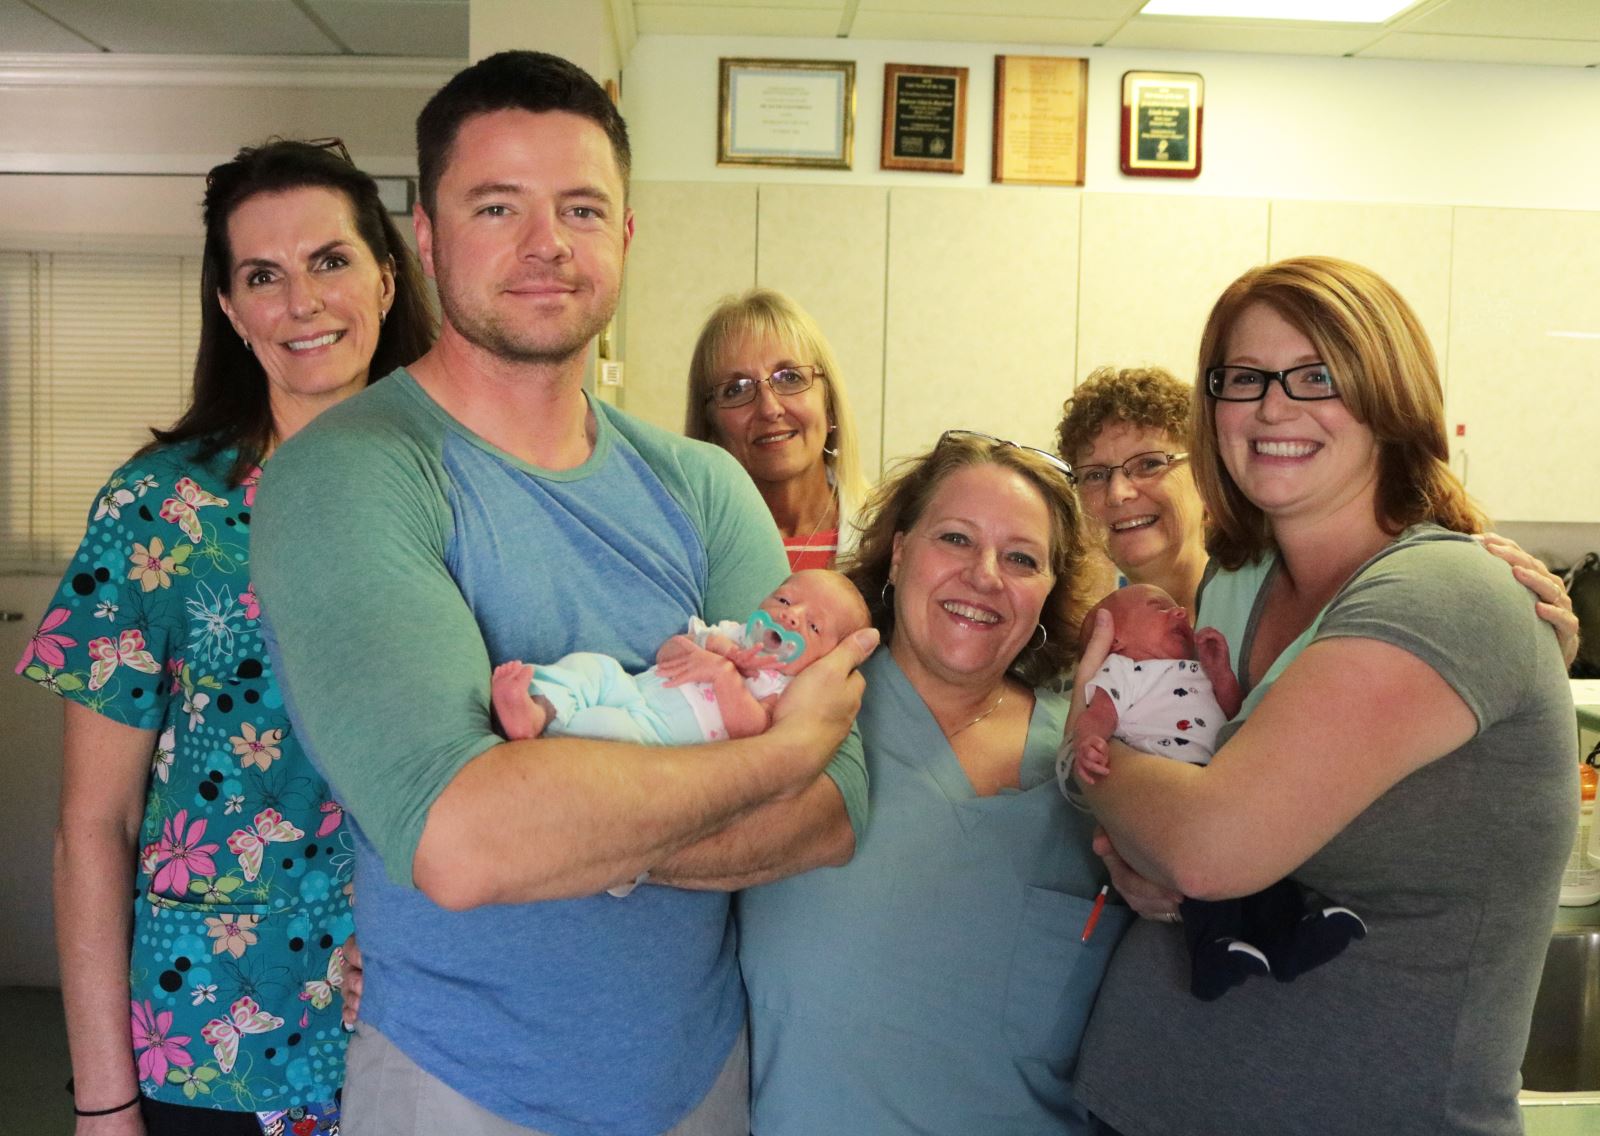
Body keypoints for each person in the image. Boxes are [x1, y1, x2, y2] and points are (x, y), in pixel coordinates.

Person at [248, 52, 876, 1136]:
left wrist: (563, 823)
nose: (547, 243)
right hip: (460, 1083)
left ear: (623, 238)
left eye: (581, 207)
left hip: (699, 1075)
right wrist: (769, 755)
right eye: (498, 206)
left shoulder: (704, 483)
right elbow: (463, 842)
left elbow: (832, 811)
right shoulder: (351, 473)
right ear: (429, 242)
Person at [1069, 257, 1578, 1136]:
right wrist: (1135, 849)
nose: (1273, 407)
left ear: (1390, 395)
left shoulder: (1445, 594)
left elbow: (1209, 847)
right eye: (1245, 379)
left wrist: (1087, 751)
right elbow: (1185, 824)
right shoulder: (1240, 584)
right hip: (1145, 1101)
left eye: (1318, 376)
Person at [14, 138, 433, 1135]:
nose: (301, 300)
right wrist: (105, 1101)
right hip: (212, 1035)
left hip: (424, 1019)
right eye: (262, 275)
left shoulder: (466, 490)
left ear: (384, 273)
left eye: (329, 260)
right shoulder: (160, 509)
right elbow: (93, 824)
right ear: (230, 306)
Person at [736, 430, 1135, 1135]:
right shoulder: (794, 708)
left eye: (1021, 558)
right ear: (898, 553)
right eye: (955, 539)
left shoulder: (1091, 759)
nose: (985, 575)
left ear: (1049, 592)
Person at [1053, 365, 1584, 644]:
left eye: (1150, 464)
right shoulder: (1076, 618)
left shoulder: (1281, 594)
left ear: (1210, 474)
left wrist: (1535, 634)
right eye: (1095, 475)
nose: (1119, 493)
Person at [1070, 584, 1366, 1002]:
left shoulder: (1196, 669)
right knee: (1206, 876)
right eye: (1159, 608)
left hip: (1225, 784)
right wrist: (1090, 743)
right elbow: (1095, 714)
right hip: (1168, 785)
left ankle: (1291, 935)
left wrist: (1222, 674)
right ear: (1115, 640)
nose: (1178, 614)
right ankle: (1212, 953)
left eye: (1178, 608)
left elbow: (1235, 715)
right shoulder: (1123, 673)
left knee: (1261, 866)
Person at [491, 568, 870, 745]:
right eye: (785, 599)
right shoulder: (729, 632)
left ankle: (547, 741)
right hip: (633, 688)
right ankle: (538, 710)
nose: (790, 615)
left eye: (814, 626)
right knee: (593, 667)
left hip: (659, 737)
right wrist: (712, 648)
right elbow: (668, 650)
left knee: (608, 729)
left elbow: (752, 730)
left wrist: (725, 676)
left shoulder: (785, 686)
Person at [684, 288, 871, 569]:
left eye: (790, 378)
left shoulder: (888, 534)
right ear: (711, 426)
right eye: (736, 389)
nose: (770, 408)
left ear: (829, 404)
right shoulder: (683, 548)